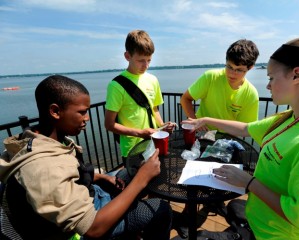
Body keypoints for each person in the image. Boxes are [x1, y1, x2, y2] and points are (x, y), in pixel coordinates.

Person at [182, 36, 299, 239]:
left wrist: (249, 182)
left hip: (272, 235)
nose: (268, 86)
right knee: (234, 206)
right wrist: (205, 119)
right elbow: (245, 128)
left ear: (297, 75)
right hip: (257, 223)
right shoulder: (288, 117)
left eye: (271, 78)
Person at [0, 75, 172, 240]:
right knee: (161, 209)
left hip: (89, 193)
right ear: (55, 111)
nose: (87, 118)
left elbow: (70, 174)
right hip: (91, 222)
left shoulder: (44, 139)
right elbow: (93, 229)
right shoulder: (43, 169)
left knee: (127, 175)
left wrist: (102, 177)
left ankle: (129, 227)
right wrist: (142, 179)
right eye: (82, 112)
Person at [105, 30, 175, 159]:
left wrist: (163, 125)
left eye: (149, 60)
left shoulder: (153, 79)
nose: (146, 65)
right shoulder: (116, 86)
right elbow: (109, 124)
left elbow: (154, 109)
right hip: (132, 149)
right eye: (141, 60)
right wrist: (140, 133)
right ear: (127, 56)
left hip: (154, 143)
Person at [180, 39, 260, 132]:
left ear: (250, 67)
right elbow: (185, 99)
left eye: (239, 70)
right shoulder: (210, 77)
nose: (232, 73)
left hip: (226, 139)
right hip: (200, 133)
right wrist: (195, 122)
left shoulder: (251, 94)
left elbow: (246, 128)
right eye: (229, 67)